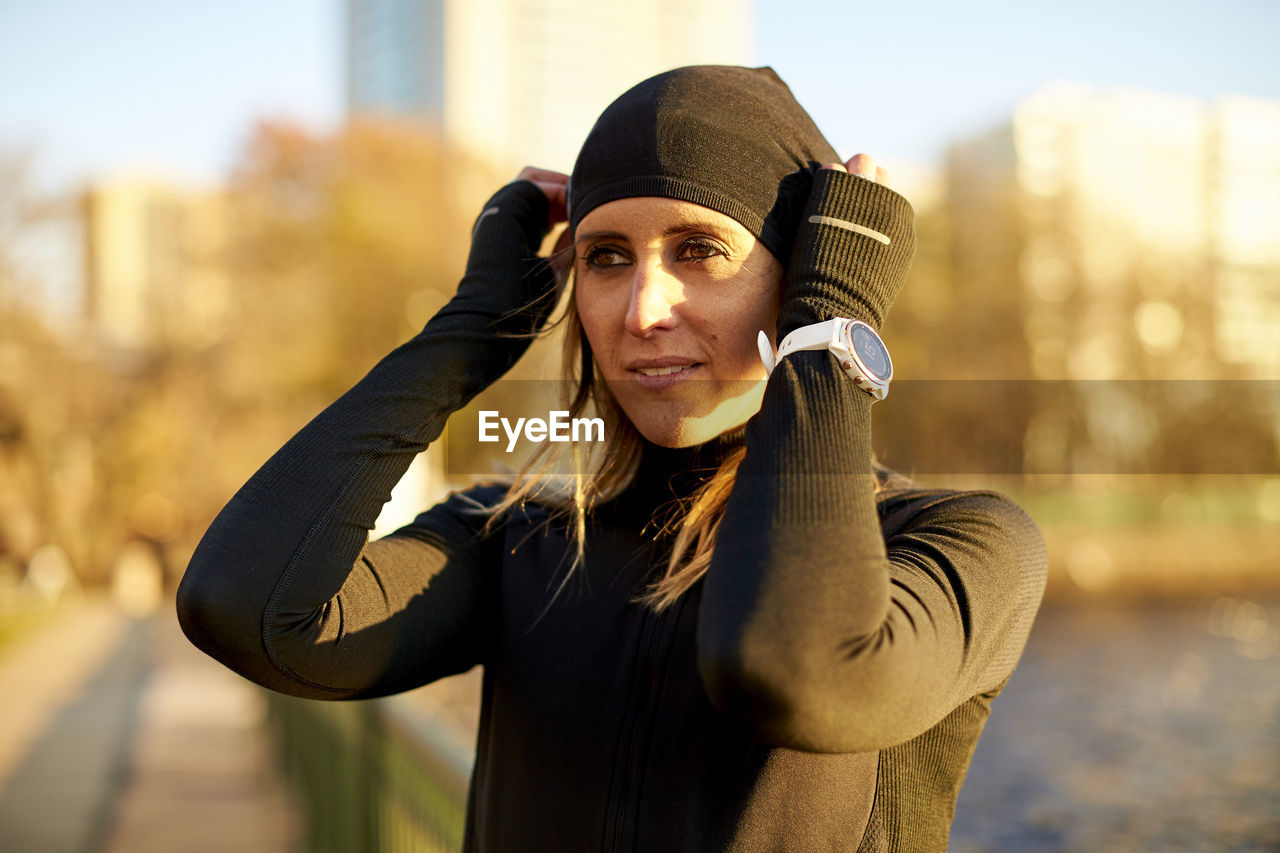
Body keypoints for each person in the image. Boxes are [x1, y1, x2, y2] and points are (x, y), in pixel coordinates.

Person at [177, 65, 1047, 852]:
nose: (642, 310)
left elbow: (800, 668)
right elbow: (247, 608)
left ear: (802, 272)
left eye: (701, 249)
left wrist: (827, 337)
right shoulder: (519, 539)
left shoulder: (957, 545)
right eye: (605, 258)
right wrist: (470, 332)